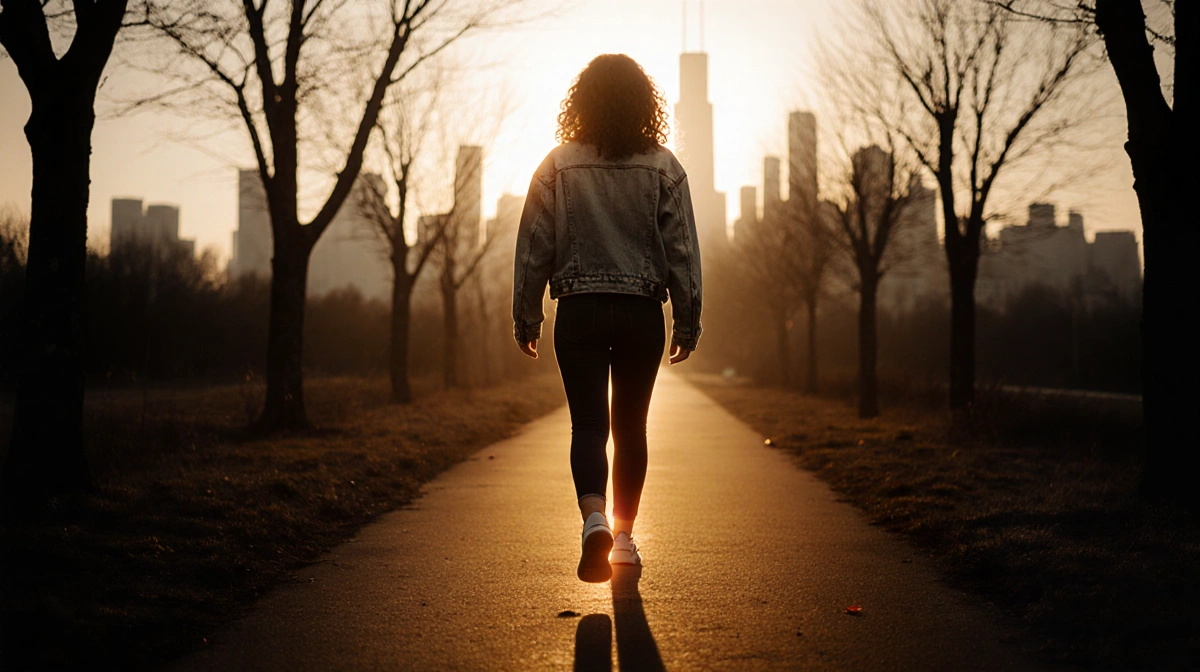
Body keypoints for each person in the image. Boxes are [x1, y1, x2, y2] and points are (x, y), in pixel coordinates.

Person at [512, 54, 702, 583]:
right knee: (631, 425)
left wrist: (527, 318)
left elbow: (533, 247)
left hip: (580, 310)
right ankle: (623, 540)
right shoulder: (664, 166)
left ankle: (593, 517)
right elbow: (683, 250)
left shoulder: (557, 165)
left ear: (581, 101)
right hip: (643, 312)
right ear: (647, 105)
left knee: (589, 424)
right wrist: (688, 322)